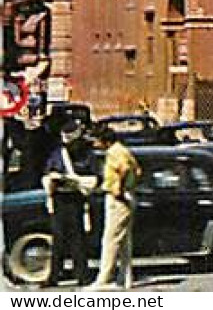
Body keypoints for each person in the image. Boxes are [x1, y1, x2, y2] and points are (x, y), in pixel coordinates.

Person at [43, 121, 96, 287]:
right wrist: (53, 177)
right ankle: (54, 276)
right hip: (59, 198)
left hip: (76, 198)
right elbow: (48, 170)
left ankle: (82, 275)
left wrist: (75, 179)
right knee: (58, 239)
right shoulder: (58, 153)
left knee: (77, 239)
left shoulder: (85, 153)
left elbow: (91, 174)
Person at [89, 134, 141, 290]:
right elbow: (137, 170)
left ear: (106, 140)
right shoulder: (124, 150)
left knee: (110, 239)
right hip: (128, 195)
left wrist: (119, 187)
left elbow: (124, 168)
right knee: (124, 240)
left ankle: (104, 278)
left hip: (117, 198)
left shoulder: (113, 152)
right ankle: (125, 277)